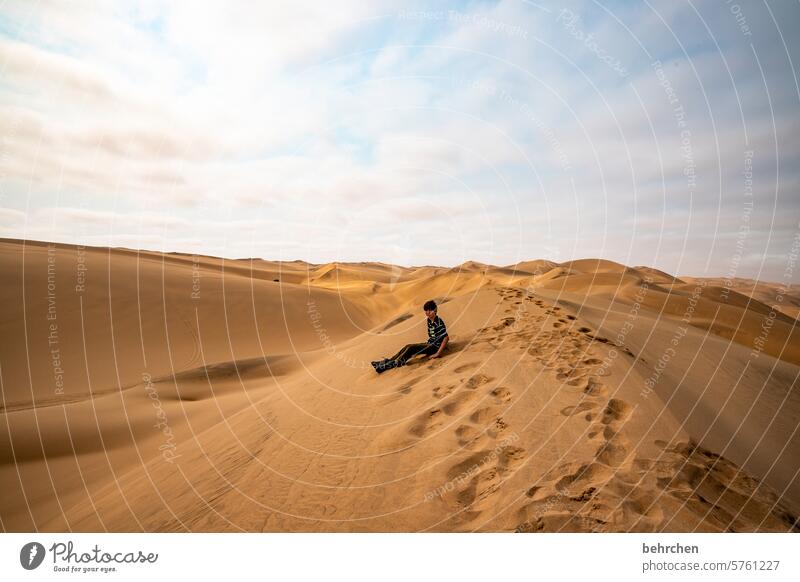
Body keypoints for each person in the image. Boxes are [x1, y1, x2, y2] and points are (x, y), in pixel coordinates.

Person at [371, 299, 449, 374]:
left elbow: (446, 337)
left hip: (435, 347)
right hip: (430, 344)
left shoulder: (438, 322)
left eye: (429, 310)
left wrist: (438, 353)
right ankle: (388, 361)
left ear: (434, 310)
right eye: (426, 310)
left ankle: (390, 365)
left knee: (411, 348)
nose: (427, 312)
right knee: (408, 346)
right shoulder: (429, 320)